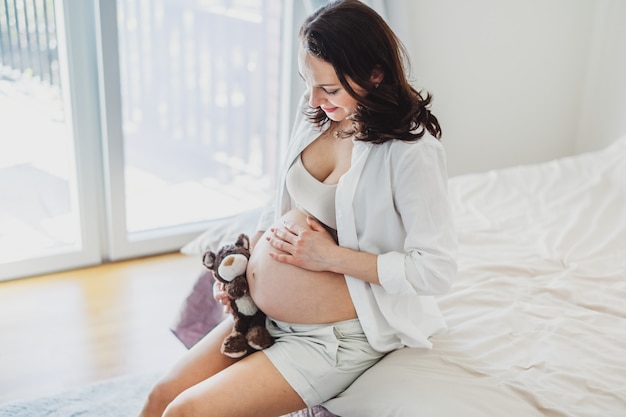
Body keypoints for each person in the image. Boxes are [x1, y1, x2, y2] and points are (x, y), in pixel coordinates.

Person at [138, 1, 456, 416]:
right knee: (160, 397)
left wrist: (330, 256)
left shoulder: (412, 152)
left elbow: (435, 270)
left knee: (187, 412)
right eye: (308, 81)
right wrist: (243, 270)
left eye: (329, 87)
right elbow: (279, 208)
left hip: (336, 336)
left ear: (375, 74)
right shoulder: (317, 117)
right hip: (261, 316)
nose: (313, 97)